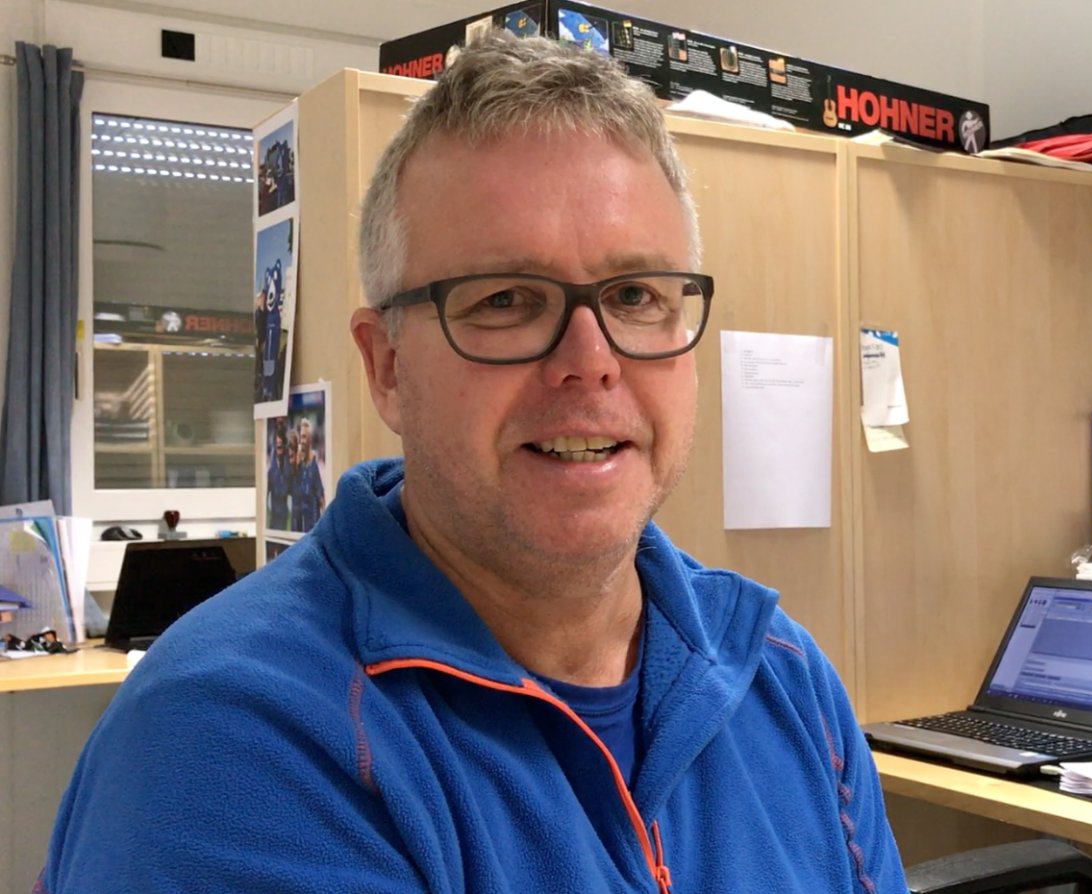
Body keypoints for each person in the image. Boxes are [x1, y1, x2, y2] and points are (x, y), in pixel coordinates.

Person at [40, 33, 905, 893]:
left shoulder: (784, 678)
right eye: (506, 300)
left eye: (635, 295)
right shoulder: (233, 737)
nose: (591, 361)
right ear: (387, 366)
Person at [264, 423, 291, 531]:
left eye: (280, 446)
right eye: (277, 446)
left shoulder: (288, 467)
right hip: (274, 515)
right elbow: (266, 492)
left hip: (284, 514)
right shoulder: (271, 469)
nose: (279, 448)